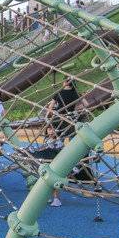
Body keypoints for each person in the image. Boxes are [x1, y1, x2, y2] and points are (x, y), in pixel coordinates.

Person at [44, 79, 81, 207]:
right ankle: (74, 164)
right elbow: (83, 105)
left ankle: (69, 166)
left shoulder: (59, 93)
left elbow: (51, 106)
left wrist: (47, 117)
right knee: (71, 145)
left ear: (65, 82)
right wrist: (75, 112)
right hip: (70, 121)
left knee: (56, 144)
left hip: (59, 121)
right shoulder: (76, 93)